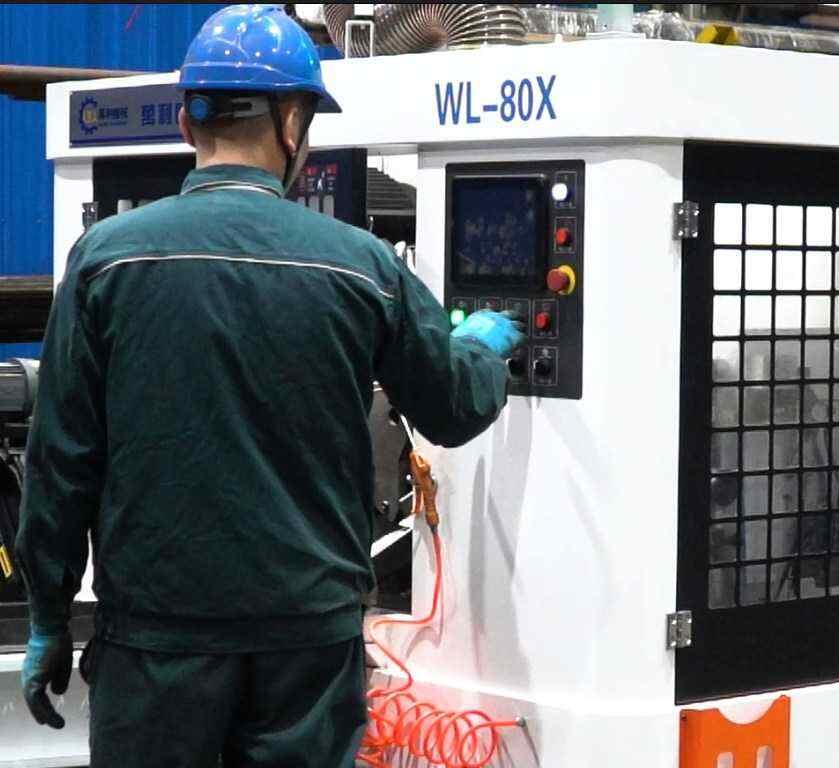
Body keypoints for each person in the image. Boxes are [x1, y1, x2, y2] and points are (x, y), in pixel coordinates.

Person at [14, 5, 524, 766]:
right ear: (292, 122)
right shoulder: (361, 264)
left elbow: (60, 462)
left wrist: (49, 616)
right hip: (305, 645)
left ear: (187, 122)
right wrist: (481, 348)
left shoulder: (105, 259)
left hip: (157, 640)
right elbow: (452, 408)